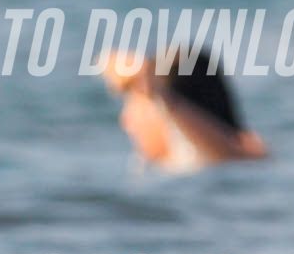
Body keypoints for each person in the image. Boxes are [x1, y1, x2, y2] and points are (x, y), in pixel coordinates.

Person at [103, 45, 267, 169]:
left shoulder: (221, 157)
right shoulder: (160, 167)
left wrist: (158, 91)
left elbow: (230, 156)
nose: (126, 121)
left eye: (135, 103)